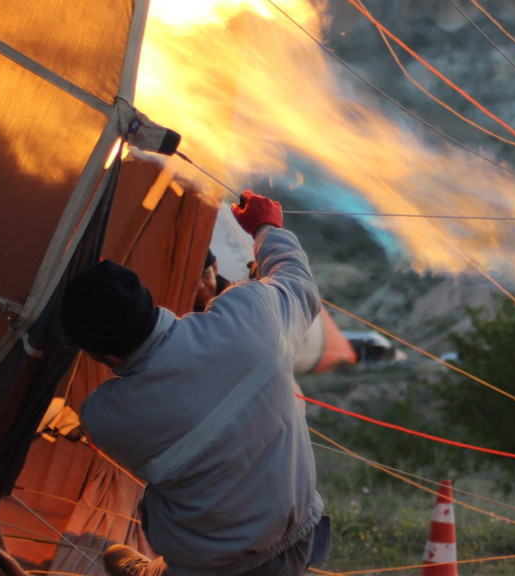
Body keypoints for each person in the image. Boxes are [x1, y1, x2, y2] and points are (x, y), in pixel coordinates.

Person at [59, 190, 330, 576]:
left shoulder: (104, 417)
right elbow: (297, 282)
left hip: (210, 570)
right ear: (148, 298)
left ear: (106, 358)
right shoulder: (250, 315)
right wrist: (266, 227)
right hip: (298, 537)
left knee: (116, 558)